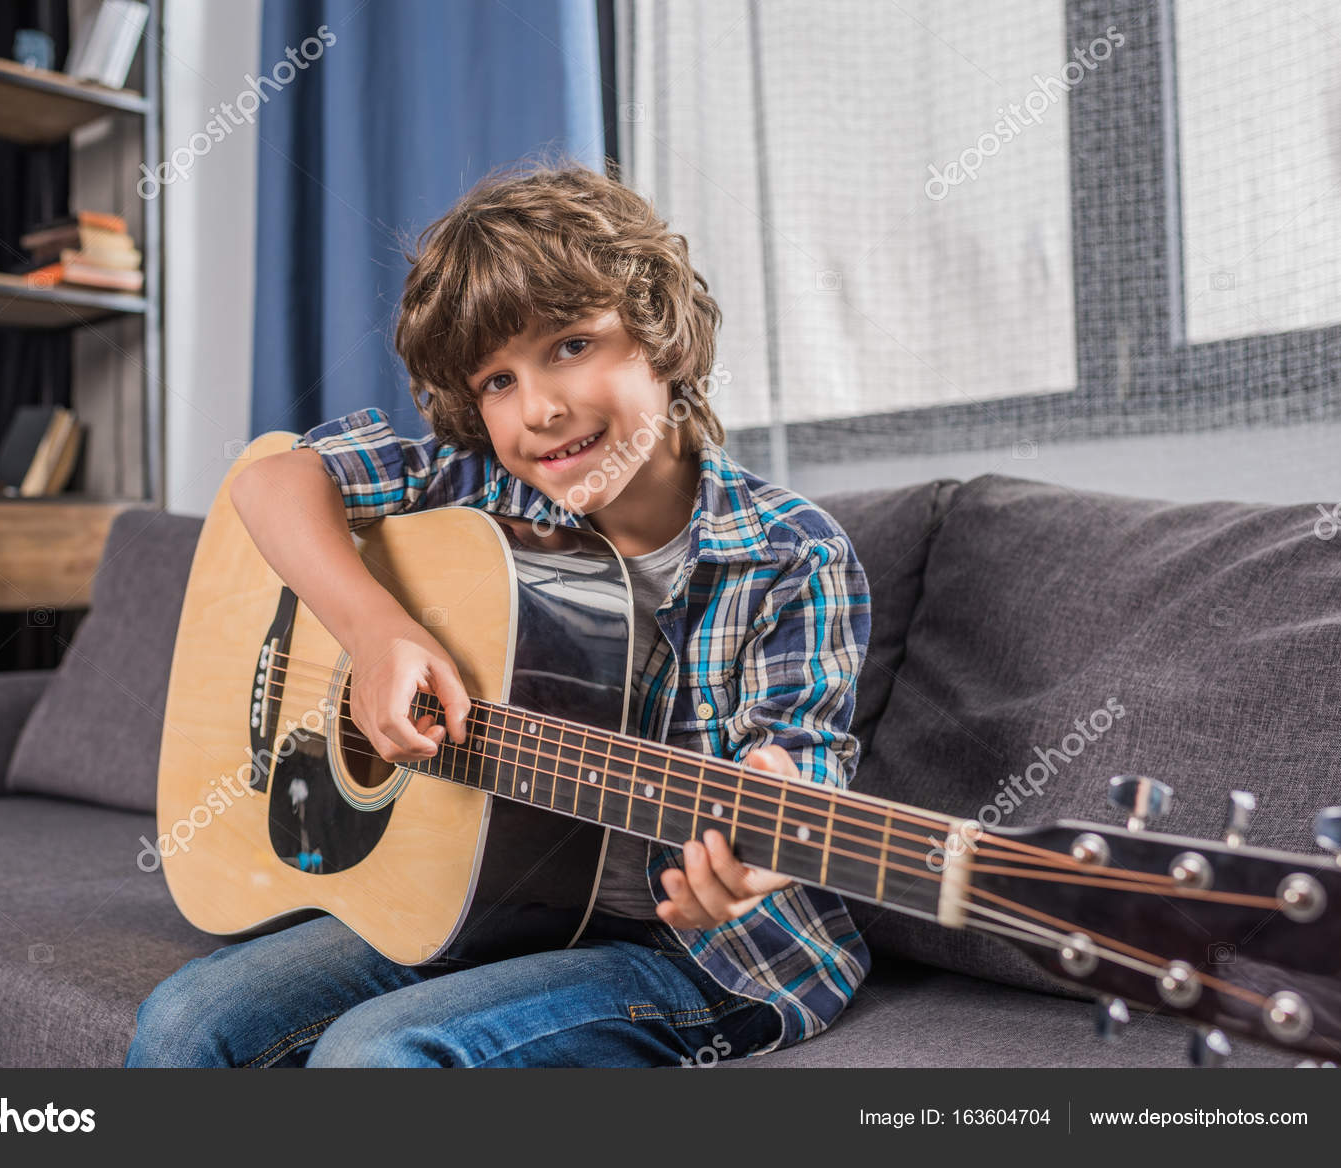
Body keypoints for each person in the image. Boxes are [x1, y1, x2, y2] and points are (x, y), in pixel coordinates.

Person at [125, 157, 871, 1068]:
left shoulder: (791, 553)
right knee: (184, 1025)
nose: (541, 411)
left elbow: (801, 762)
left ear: (660, 333)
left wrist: (764, 840)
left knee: (375, 1061)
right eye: (497, 382)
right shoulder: (474, 492)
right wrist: (377, 632)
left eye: (570, 345)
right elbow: (274, 483)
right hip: (502, 908)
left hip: (705, 956)